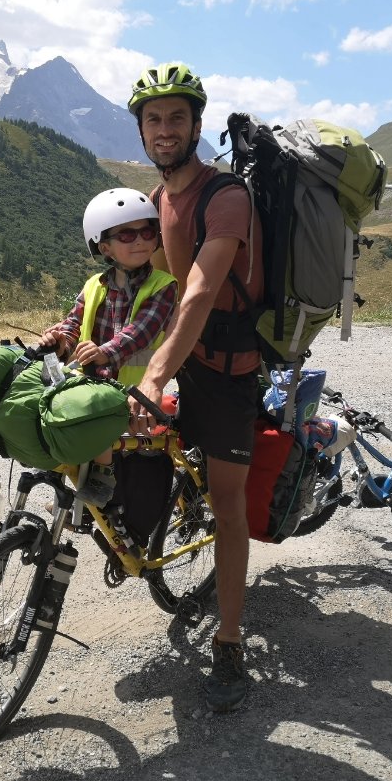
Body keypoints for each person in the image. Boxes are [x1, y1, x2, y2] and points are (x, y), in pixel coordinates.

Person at [127, 63, 263, 713]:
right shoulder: (157, 201)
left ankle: (230, 643)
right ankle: (161, 519)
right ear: (142, 130)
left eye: (176, 117)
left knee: (229, 503)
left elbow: (202, 291)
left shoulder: (226, 196)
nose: (164, 129)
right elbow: (155, 292)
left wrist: (155, 373)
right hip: (182, 352)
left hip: (229, 374)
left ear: (197, 126)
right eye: (153, 119)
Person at [38, 187, 178, 507]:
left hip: (133, 391)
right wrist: (59, 339)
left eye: (146, 231)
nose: (140, 240)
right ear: (105, 247)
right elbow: (74, 324)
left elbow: (141, 331)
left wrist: (106, 351)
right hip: (91, 383)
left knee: (94, 432)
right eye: (127, 235)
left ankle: (100, 484)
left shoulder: (163, 286)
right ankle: (85, 497)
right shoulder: (93, 286)